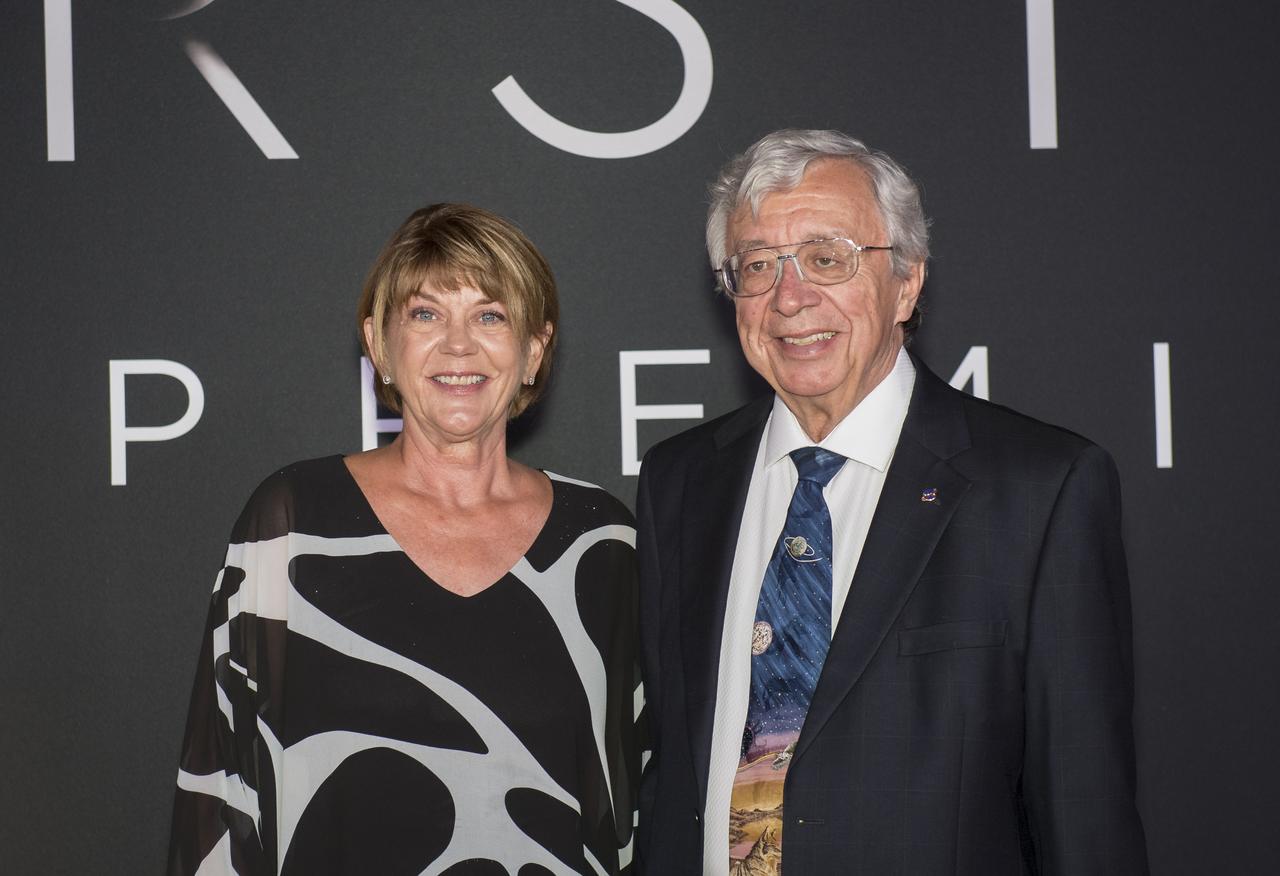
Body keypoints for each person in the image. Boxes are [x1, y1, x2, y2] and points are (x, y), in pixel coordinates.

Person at [635, 130, 1149, 874]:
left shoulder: (1040, 489)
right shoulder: (680, 481)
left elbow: (1085, 815)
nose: (789, 297)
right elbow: (673, 776)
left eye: (826, 258)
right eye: (758, 265)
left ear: (907, 283)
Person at [167, 203, 641, 875]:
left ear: (534, 350)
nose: (458, 345)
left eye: (491, 316)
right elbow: (221, 788)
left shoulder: (602, 543)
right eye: (425, 314)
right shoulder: (292, 522)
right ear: (379, 344)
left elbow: (639, 801)